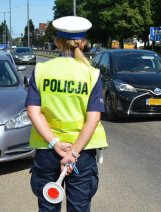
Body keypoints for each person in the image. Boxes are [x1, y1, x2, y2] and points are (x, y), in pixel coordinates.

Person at [26, 16, 108, 212]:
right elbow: (93, 118)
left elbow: (33, 112)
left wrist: (55, 143)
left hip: (48, 150)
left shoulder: (41, 71)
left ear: (56, 42)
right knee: (79, 207)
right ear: (84, 43)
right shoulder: (92, 74)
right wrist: (73, 153)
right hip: (82, 153)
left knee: (48, 206)